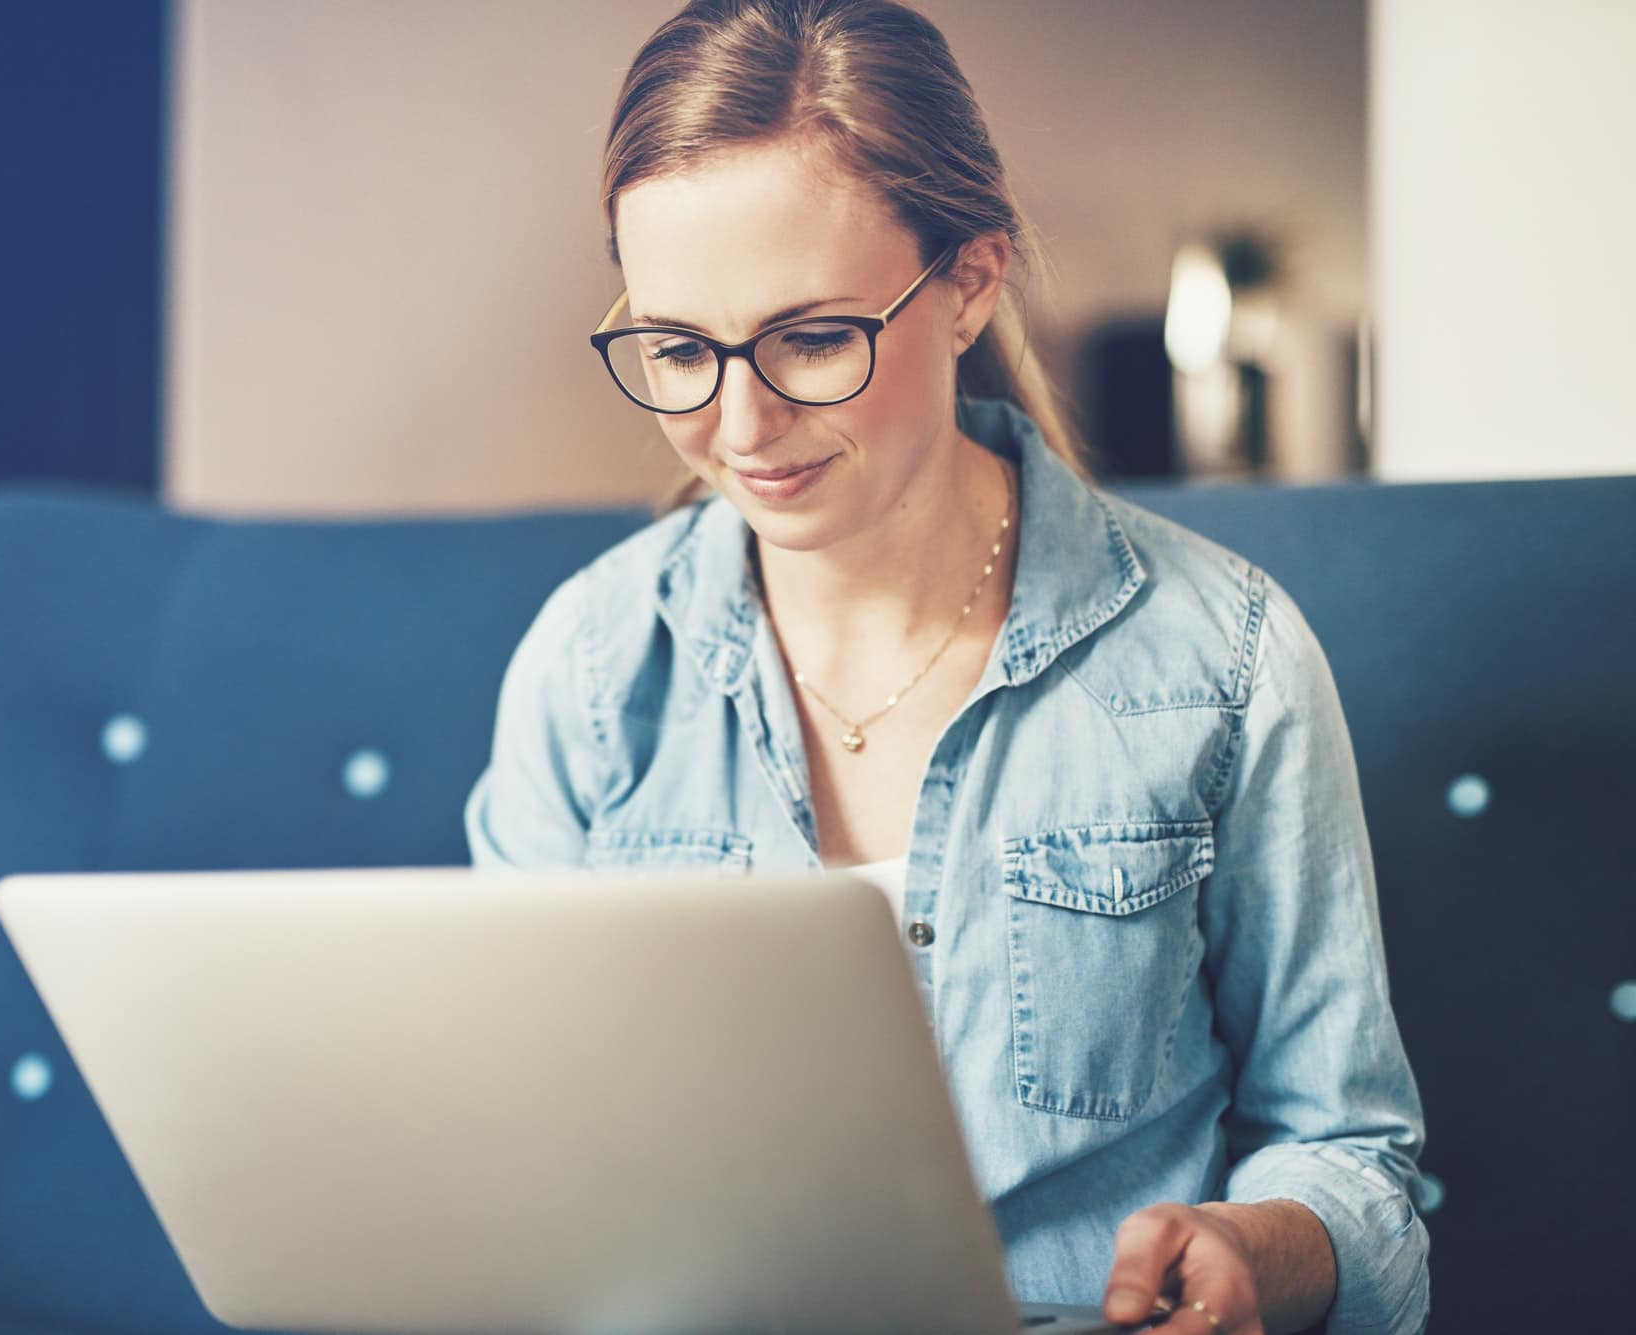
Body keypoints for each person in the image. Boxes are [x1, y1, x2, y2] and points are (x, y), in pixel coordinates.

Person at [462, 2, 1429, 1331]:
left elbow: (1354, 1157)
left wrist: (1264, 1249)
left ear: (972, 280)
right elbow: (512, 1148)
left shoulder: (1226, 658)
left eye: (810, 338)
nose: (739, 427)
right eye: (680, 350)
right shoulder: (588, 665)